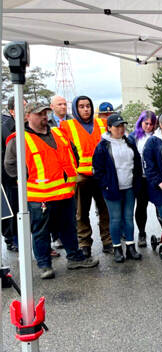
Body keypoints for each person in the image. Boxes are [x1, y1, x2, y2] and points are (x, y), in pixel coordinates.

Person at [4, 103, 99, 279]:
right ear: (28, 116)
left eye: (45, 113)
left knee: (69, 228)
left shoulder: (57, 133)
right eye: (39, 114)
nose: (44, 117)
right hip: (40, 197)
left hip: (65, 193)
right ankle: (44, 265)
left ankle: (74, 257)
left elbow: (74, 154)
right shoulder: (19, 139)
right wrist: (28, 180)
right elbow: (10, 166)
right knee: (41, 232)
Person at [60, 96, 112, 257]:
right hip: (81, 177)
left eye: (88, 106)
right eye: (81, 106)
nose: (85, 109)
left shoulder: (102, 124)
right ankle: (84, 243)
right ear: (76, 109)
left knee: (105, 210)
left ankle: (108, 241)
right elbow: (64, 151)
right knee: (81, 212)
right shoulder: (66, 126)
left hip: (101, 175)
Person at [92, 114, 143, 263]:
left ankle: (130, 247)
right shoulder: (103, 146)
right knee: (115, 219)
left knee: (128, 218)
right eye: (117, 126)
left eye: (122, 125)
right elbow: (98, 169)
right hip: (112, 188)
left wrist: (137, 183)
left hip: (129, 187)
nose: (121, 129)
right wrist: (106, 184)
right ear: (109, 128)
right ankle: (117, 248)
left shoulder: (129, 142)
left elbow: (137, 164)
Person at [128, 110, 158, 247]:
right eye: (146, 123)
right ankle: (141, 233)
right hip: (140, 177)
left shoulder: (158, 137)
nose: (148, 126)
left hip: (154, 176)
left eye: (151, 124)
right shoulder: (133, 137)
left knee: (161, 204)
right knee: (141, 206)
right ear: (141, 122)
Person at [48, 95, 73, 251]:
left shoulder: (72, 121)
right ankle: (56, 236)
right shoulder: (48, 123)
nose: (63, 107)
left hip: (69, 170)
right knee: (54, 209)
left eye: (64, 104)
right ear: (52, 106)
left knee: (70, 209)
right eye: (59, 104)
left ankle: (70, 238)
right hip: (54, 171)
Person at [1, 97, 25, 252]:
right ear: (12, 111)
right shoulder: (4, 129)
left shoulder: (30, 126)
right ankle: (13, 240)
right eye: (21, 106)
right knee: (12, 211)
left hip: (31, 177)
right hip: (10, 179)